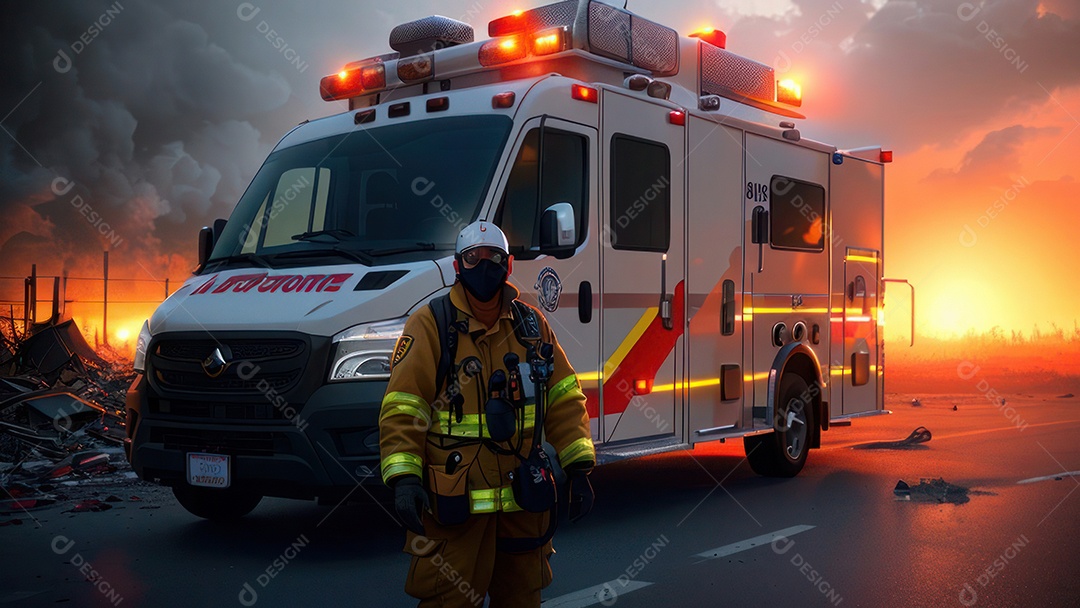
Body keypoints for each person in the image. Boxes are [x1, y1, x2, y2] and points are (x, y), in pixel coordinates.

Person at [379, 220, 595, 607]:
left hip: (523, 502)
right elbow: (404, 406)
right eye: (472, 258)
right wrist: (404, 478)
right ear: (457, 266)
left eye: (493, 257)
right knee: (449, 600)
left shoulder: (532, 326)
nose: (483, 266)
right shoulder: (432, 324)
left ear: (508, 265)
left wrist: (578, 467)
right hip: (454, 504)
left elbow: (564, 397)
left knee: (522, 598)